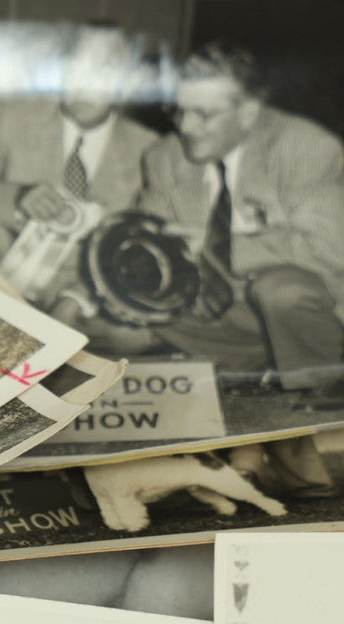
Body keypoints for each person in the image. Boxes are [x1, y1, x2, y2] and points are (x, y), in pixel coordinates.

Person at [125, 40, 344, 403]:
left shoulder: (305, 147)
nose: (186, 127)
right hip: (222, 314)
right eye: (178, 110)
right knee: (124, 309)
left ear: (248, 113)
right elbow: (145, 238)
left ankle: (325, 384)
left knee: (282, 290)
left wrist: (215, 245)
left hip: (299, 310)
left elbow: (329, 248)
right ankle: (250, 368)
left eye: (204, 114)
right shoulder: (164, 156)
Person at [0, 22, 158, 313]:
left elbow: (148, 249)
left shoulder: (149, 149)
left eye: (103, 70)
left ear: (128, 82)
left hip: (90, 296)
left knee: (139, 332)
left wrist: (77, 301)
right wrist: (15, 199)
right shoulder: (8, 117)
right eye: (76, 65)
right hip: (4, 278)